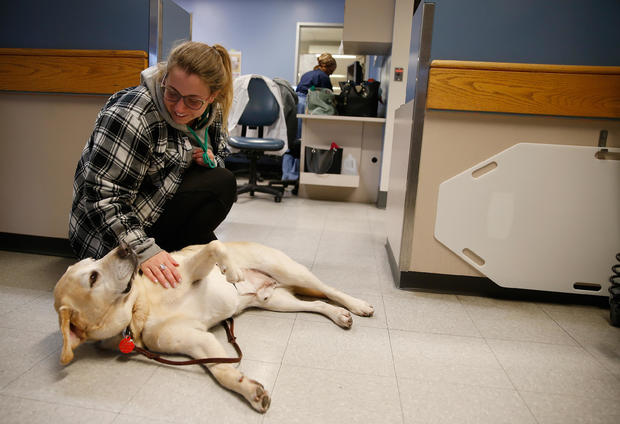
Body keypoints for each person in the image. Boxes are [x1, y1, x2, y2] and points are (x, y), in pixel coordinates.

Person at [69, 41, 236, 289]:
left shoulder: (212, 111)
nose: (179, 108)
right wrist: (144, 250)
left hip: (157, 207)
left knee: (221, 181)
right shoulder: (132, 114)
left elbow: (221, 155)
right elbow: (102, 199)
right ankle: (162, 258)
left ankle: (176, 253)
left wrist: (209, 158)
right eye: (172, 94)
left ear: (212, 97)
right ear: (164, 79)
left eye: (192, 101)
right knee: (219, 186)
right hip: (108, 235)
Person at [295, 53, 337, 137]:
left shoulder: (308, 74)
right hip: (306, 103)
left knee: (298, 129)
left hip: (296, 101)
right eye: (332, 70)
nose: (331, 73)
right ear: (329, 67)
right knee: (304, 131)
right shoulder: (323, 76)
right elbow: (329, 95)